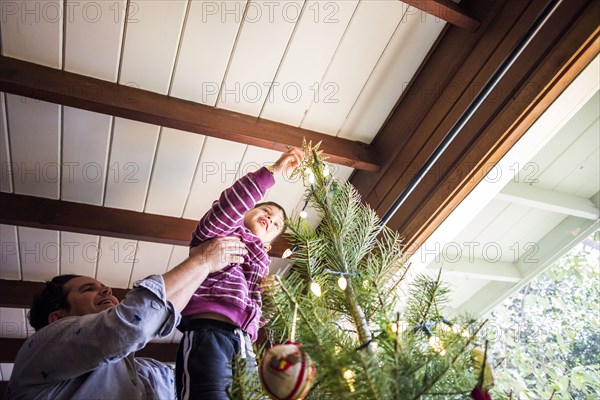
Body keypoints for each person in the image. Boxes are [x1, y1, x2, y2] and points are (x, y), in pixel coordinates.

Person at [5, 236, 247, 400]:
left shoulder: (148, 372)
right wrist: (201, 261)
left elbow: (159, 315)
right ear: (57, 317)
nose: (107, 290)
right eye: (88, 288)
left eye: (103, 286)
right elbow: (133, 323)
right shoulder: (38, 352)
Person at [176, 147, 304, 399]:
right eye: (265, 211)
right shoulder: (220, 234)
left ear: (268, 245)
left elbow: (259, 316)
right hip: (209, 332)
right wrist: (274, 171)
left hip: (245, 343)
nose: (271, 218)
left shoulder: (261, 264)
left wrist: (269, 301)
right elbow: (230, 206)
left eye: (276, 224)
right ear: (245, 213)